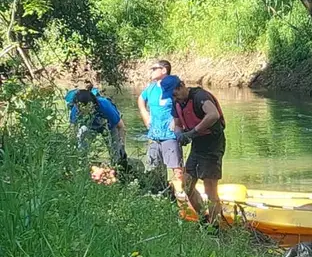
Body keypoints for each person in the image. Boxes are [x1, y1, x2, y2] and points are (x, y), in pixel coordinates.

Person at [172, 79, 227, 227]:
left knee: (210, 189)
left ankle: (215, 229)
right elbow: (177, 124)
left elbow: (213, 115)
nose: (174, 98)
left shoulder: (200, 97)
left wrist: (192, 132)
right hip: (197, 145)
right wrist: (179, 134)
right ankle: (203, 220)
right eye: (171, 96)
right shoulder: (176, 101)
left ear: (182, 86)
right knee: (187, 184)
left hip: (212, 143)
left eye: (175, 93)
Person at [137, 60, 183, 193]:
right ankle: (160, 194)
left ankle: (182, 197)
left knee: (176, 168)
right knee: (154, 168)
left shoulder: (173, 85)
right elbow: (141, 99)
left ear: (164, 70)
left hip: (170, 134)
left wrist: (177, 122)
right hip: (154, 134)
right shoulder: (151, 87)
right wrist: (145, 114)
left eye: (154, 68)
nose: (151, 71)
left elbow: (182, 101)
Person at [67, 86, 128, 167]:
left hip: (110, 126)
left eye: (80, 108)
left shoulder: (105, 106)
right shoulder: (76, 109)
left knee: (116, 153)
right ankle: (82, 165)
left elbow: (121, 126)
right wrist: (72, 147)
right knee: (81, 137)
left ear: (89, 105)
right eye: (76, 107)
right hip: (90, 126)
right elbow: (72, 130)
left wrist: (122, 146)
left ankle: (117, 168)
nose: (78, 111)